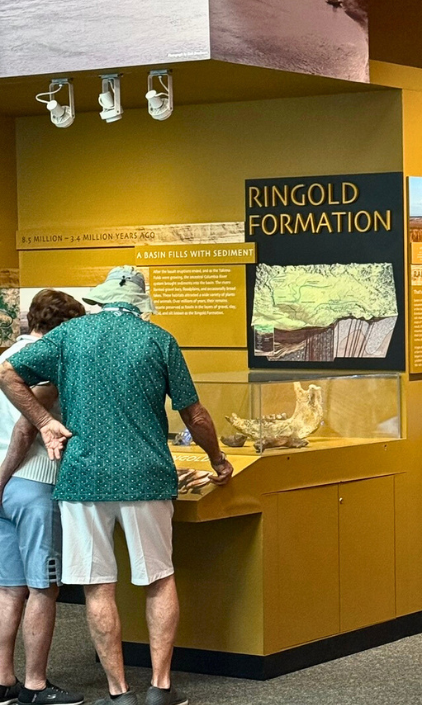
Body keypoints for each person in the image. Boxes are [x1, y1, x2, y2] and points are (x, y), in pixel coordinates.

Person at [0, 267, 235, 705]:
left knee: (97, 586)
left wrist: (45, 422)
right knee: (159, 579)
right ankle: (160, 687)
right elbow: (195, 414)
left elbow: (8, 372)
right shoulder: (159, 340)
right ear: (140, 304)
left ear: (102, 298)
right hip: (147, 476)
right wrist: (217, 459)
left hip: (83, 478)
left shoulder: (69, 335)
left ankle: (118, 692)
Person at [0, 290, 86, 705]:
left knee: (9, 589)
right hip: (34, 484)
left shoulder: (7, 356)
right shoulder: (47, 364)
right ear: (65, 326)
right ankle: (35, 685)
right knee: (43, 588)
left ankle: (4, 680)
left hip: (5, 492)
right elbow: (26, 427)